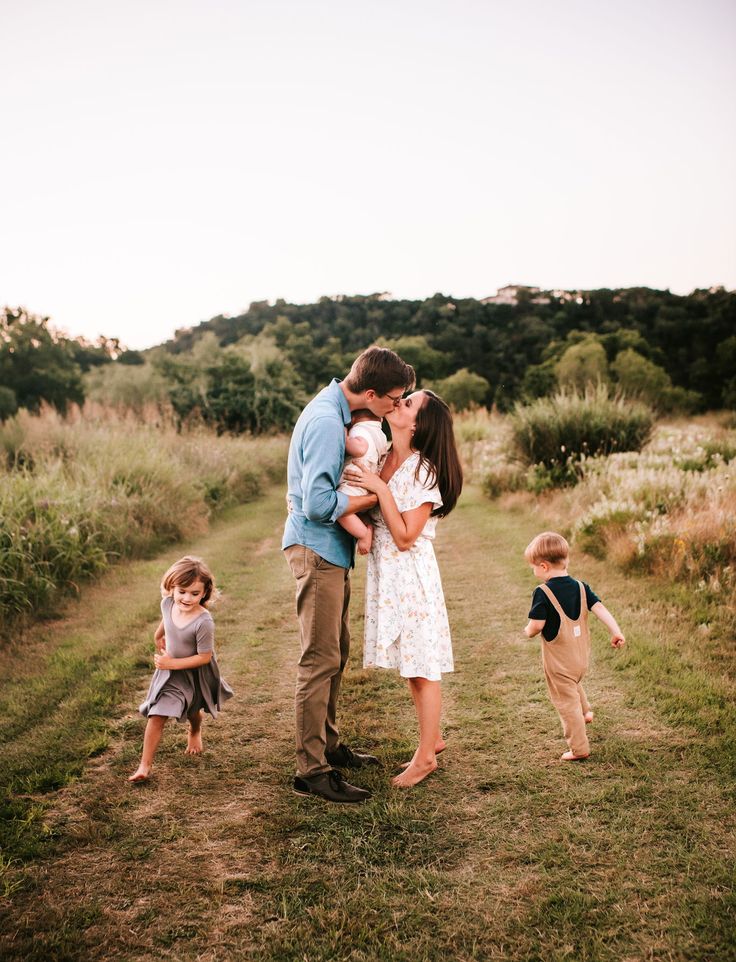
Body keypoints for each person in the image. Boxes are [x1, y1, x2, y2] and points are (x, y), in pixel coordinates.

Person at [283, 346, 416, 804]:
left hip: (331, 552)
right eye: (394, 399)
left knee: (334, 653)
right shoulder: (325, 421)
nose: (396, 407)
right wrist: (374, 499)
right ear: (372, 392)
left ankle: (331, 747)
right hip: (316, 549)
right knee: (318, 660)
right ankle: (311, 771)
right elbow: (318, 504)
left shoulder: (340, 414)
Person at [345, 390, 463, 788]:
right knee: (411, 667)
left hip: (411, 579)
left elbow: (406, 536)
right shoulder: (384, 457)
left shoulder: (421, 470)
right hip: (389, 578)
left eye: (409, 403)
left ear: (417, 425)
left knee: (422, 667)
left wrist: (379, 489)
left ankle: (426, 756)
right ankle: (434, 738)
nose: (400, 403)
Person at [128, 556, 233, 783]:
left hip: (193, 674)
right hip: (170, 675)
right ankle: (144, 766)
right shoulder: (168, 603)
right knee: (157, 715)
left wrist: (171, 663)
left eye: (195, 594)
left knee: (193, 710)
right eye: (182, 592)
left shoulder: (203, 621)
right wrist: (158, 635)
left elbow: (204, 657)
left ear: (204, 593)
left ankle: (195, 731)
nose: (187, 598)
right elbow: (166, 618)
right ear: (171, 588)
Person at [523, 531, 626, 761]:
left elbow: (537, 625)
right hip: (580, 659)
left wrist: (528, 631)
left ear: (544, 566)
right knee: (574, 682)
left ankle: (579, 748)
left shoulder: (543, 592)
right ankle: (586, 711)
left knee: (565, 700)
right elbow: (599, 608)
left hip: (559, 663)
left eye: (534, 567)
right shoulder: (581, 587)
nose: (534, 571)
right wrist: (616, 631)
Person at [337, 409, 389, 556]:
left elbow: (359, 449)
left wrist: (345, 437)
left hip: (354, 482)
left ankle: (364, 533)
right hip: (368, 482)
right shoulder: (381, 435)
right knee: (358, 512)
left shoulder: (360, 430)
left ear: (353, 418)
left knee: (340, 509)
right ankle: (366, 525)